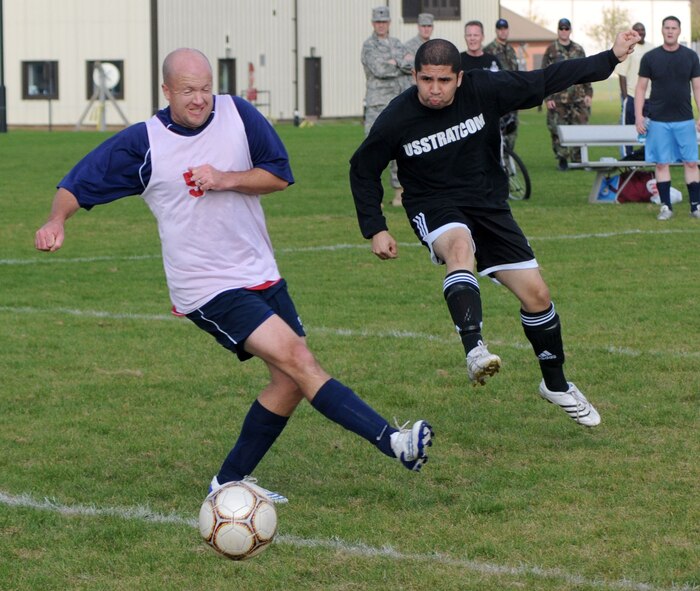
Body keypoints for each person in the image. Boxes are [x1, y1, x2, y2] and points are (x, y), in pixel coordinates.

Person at [34, 48, 434, 503]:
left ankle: (226, 483)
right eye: (188, 91)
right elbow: (79, 182)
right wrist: (56, 220)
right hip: (205, 284)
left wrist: (225, 178)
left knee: (288, 380)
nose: (200, 99)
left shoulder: (238, 114)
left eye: (206, 88)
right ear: (166, 91)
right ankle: (394, 442)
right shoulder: (144, 142)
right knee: (299, 361)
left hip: (259, 270)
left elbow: (279, 175)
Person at [349, 32, 641, 427]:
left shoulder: (485, 88)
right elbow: (363, 169)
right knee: (460, 248)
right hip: (434, 204)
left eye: (444, 80)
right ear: (414, 76)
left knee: (537, 294)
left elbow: (546, 78)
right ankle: (474, 350)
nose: (434, 90)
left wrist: (610, 57)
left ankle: (555, 385)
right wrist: (375, 227)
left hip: (488, 204)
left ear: (460, 78)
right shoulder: (397, 118)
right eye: (426, 80)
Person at [635, 16, 700, 221]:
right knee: (662, 164)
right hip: (658, 121)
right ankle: (666, 206)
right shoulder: (650, 57)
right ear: (662, 31)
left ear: (679, 31)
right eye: (667, 28)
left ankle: (696, 207)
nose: (670, 31)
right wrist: (638, 116)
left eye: (674, 28)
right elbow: (641, 88)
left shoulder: (691, 57)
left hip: (685, 120)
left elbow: (697, 87)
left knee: (691, 163)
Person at [362, 5, 413, 207]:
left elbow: (411, 64)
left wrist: (396, 62)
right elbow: (379, 68)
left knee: (399, 150)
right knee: (373, 152)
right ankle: (373, 196)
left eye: (384, 21)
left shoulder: (397, 44)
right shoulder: (368, 46)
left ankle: (399, 193)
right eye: (377, 22)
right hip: (377, 106)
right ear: (373, 23)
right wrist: (398, 64)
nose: (381, 25)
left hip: (397, 105)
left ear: (389, 23)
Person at [541, 18, 592, 171]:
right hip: (558, 99)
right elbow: (544, 75)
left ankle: (578, 160)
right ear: (558, 30)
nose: (564, 31)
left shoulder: (578, 49)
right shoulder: (551, 50)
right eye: (561, 28)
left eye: (566, 28)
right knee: (558, 129)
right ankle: (562, 159)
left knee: (579, 129)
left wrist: (588, 93)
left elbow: (587, 72)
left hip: (578, 97)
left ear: (570, 30)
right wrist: (547, 97)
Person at [615, 22, 652, 156]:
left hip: (649, 98)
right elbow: (622, 75)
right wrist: (625, 97)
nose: (640, 32)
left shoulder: (652, 49)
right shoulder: (629, 49)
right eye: (637, 30)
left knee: (648, 129)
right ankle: (627, 156)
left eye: (642, 30)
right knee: (628, 129)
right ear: (633, 33)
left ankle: (645, 156)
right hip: (632, 96)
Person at [484, 17, 520, 152]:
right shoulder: (489, 50)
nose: (503, 32)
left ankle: (509, 160)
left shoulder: (511, 50)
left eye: (505, 29)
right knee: (495, 132)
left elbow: (515, 73)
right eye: (500, 29)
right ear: (496, 31)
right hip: (497, 98)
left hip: (512, 97)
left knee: (512, 131)